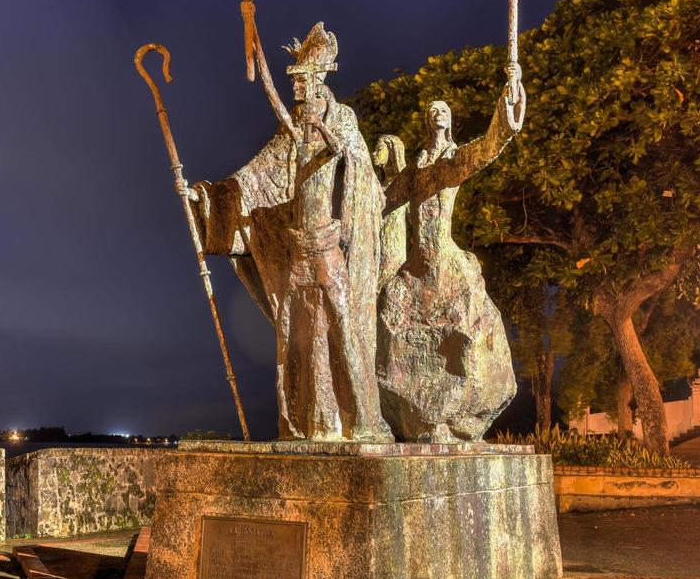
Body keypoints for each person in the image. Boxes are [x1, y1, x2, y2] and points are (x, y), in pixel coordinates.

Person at [186, 24, 392, 442]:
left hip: (330, 247)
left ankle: (363, 420)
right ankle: (301, 423)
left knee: (343, 328)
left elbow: (355, 168)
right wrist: (210, 199)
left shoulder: (341, 120)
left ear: (319, 78)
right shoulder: (293, 126)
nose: (295, 87)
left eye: (300, 79)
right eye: (292, 80)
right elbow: (261, 171)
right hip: (298, 249)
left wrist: (322, 131)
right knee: (292, 333)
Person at [374, 77, 523, 441]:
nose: (437, 113)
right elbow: (382, 201)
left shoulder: (451, 161)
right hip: (416, 266)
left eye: (443, 110)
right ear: (427, 122)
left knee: (467, 331)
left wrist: (507, 120)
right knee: (388, 309)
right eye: (432, 111)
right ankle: (407, 411)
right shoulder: (416, 169)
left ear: (449, 121)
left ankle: (462, 411)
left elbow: (486, 150)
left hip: (446, 256)